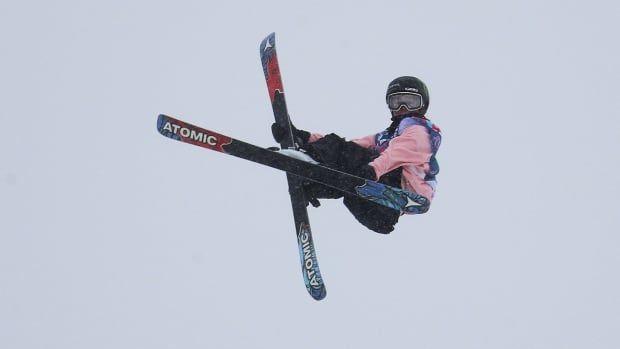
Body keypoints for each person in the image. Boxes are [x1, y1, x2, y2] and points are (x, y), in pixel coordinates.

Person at [272, 76, 442, 234]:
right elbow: (355, 144)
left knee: (350, 162)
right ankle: (312, 183)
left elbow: (397, 153)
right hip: (382, 214)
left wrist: (371, 170)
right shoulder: (388, 135)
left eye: (410, 102)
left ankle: (308, 160)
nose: (402, 108)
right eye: (396, 102)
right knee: (347, 180)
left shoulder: (420, 129)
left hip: (398, 188)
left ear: (423, 104)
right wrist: (305, 137)